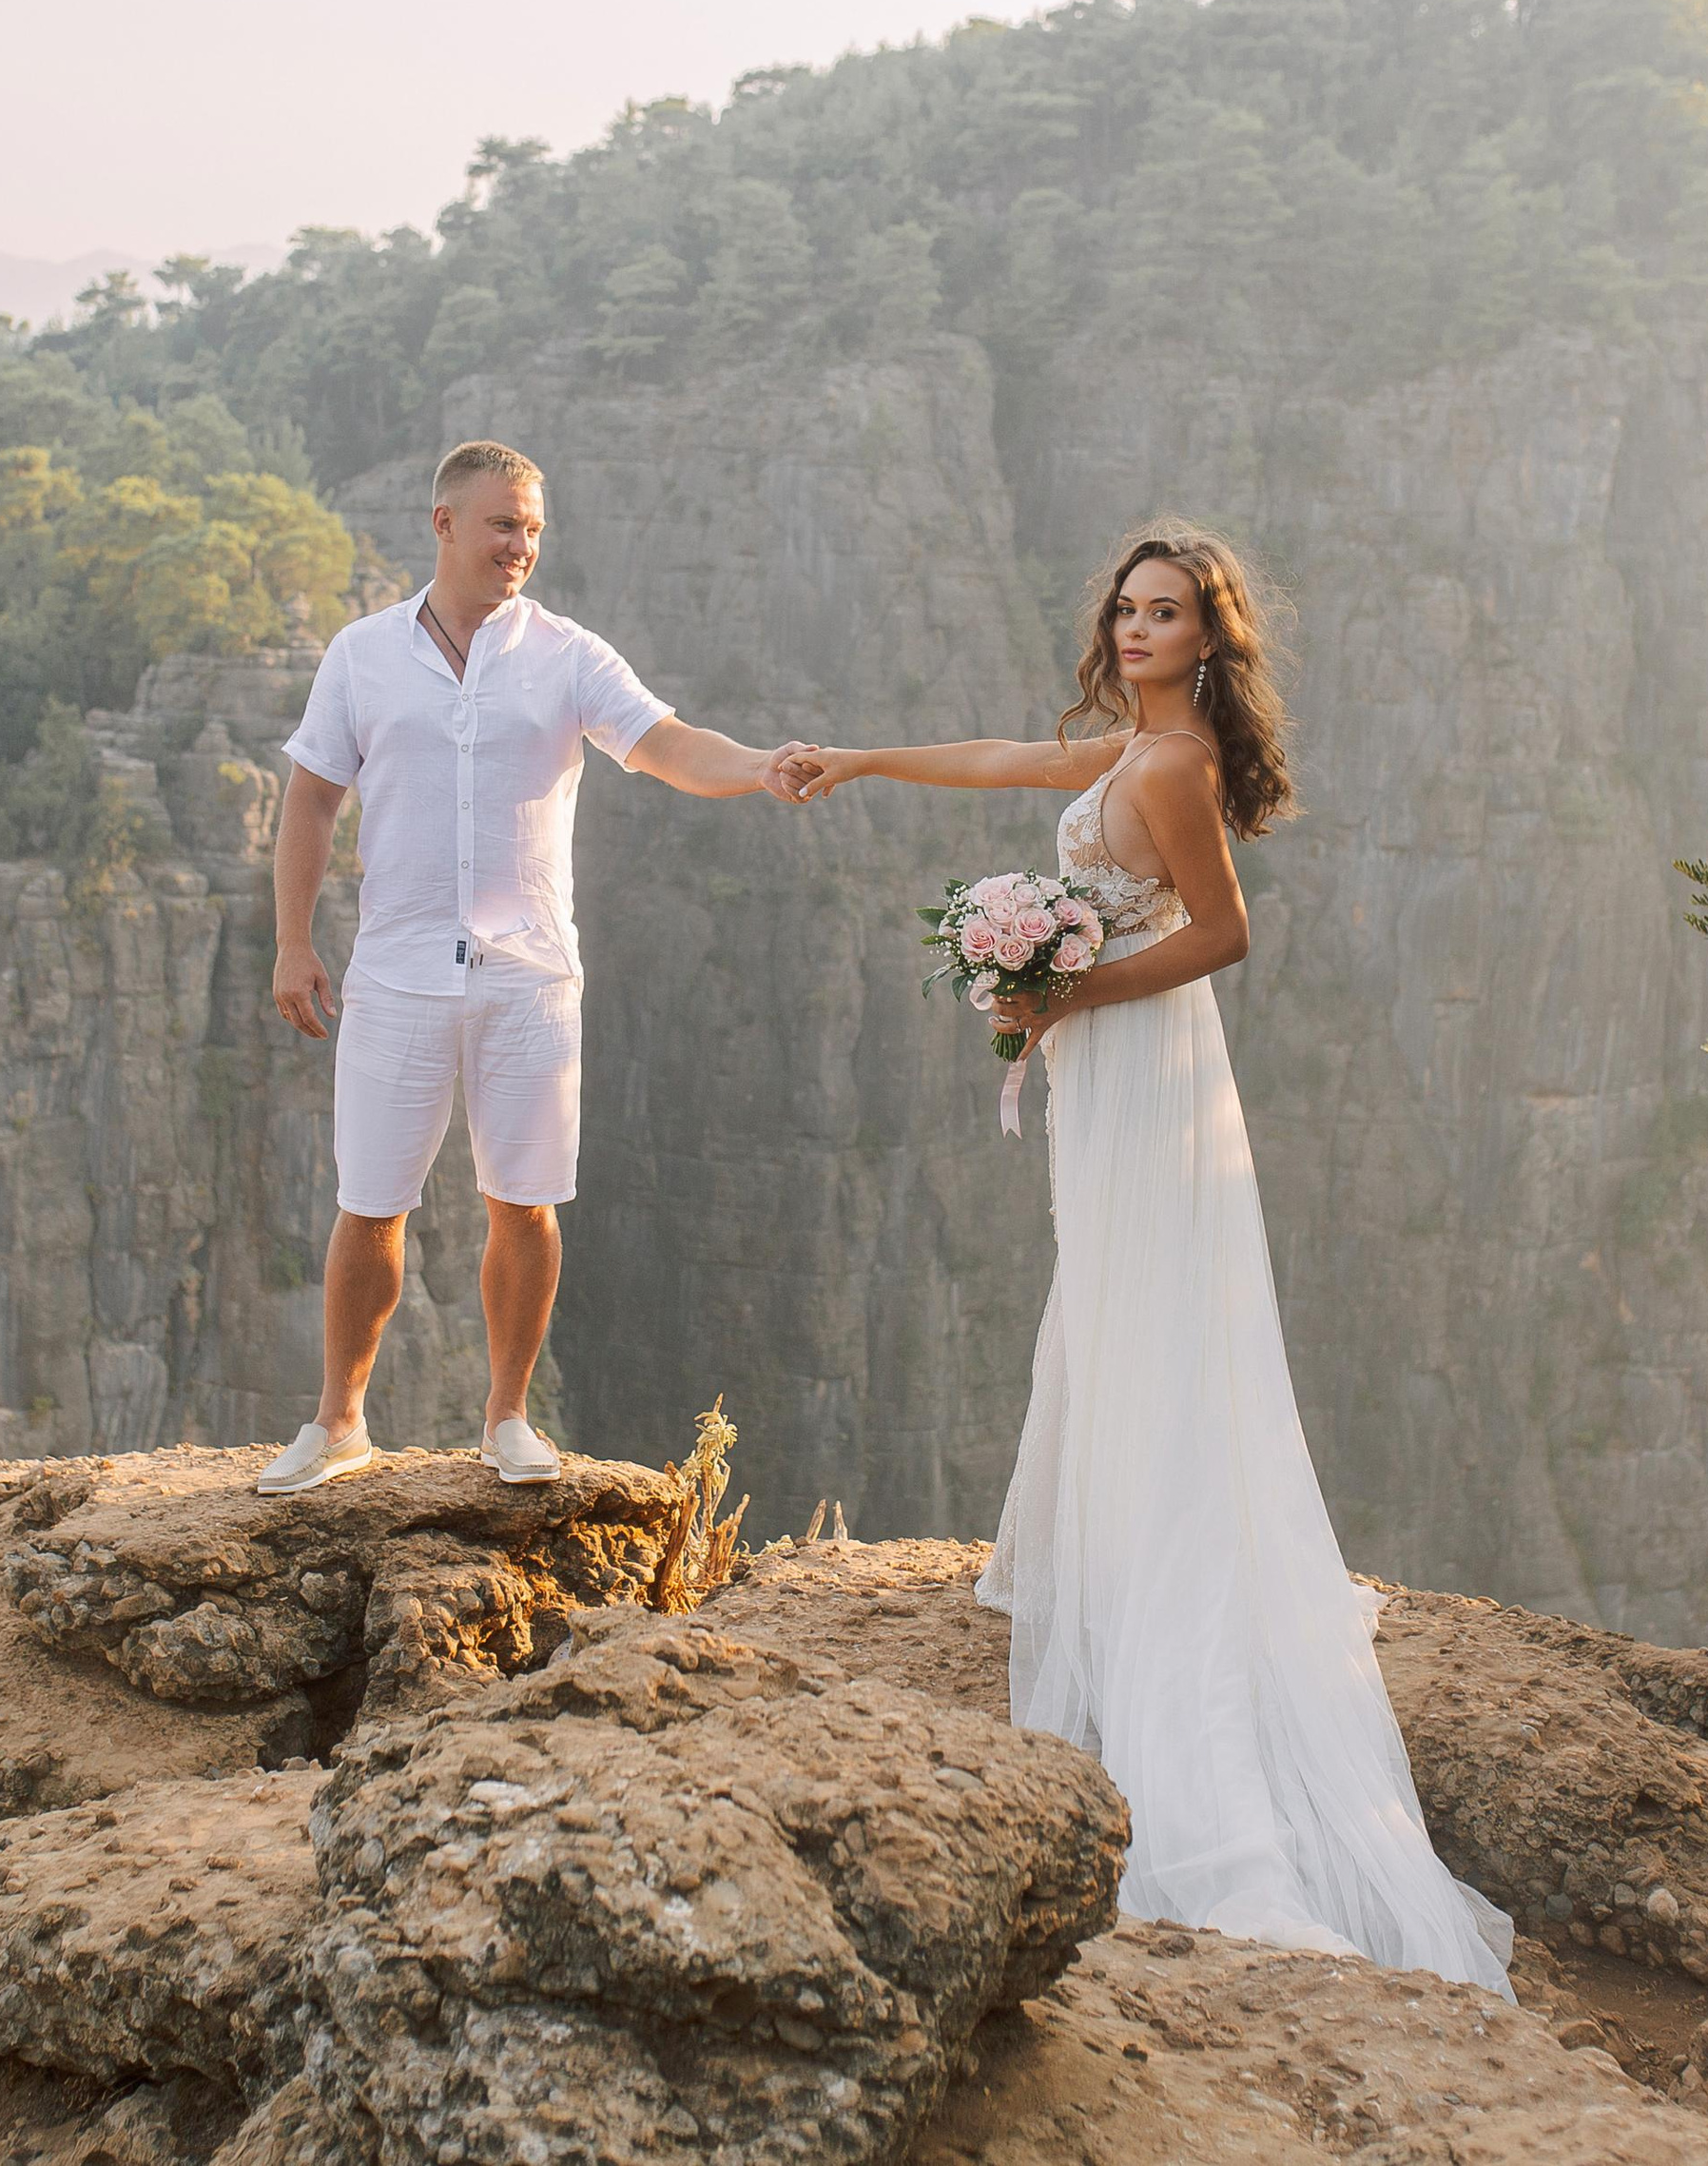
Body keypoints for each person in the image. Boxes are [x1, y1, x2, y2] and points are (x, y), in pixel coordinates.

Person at [782, 518, 1513, 1993]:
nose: (1134, 629)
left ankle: (1165, 1579)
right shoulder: (1126, 751)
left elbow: (1225, 931)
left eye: (1164, 614)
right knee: (1111, 1296)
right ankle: (1119, 1542)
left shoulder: (1173, 771)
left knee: (1145, 1303)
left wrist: (1067, 990)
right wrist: (857, 759)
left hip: (1145, 1052)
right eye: (1124, 607)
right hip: (1112, 1060)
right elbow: (1002, 759)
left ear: (1208, 637)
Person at [262, 439, 808, 1493]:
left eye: (534, 529)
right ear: (444, 523)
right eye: (503, 523)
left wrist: (758, 769)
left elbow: (665, 743)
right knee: (370, 1203)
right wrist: (292, 940)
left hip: (529, 974)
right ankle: (337, 1423)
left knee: (525, 1200)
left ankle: (507, 1417)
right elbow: (312, 799)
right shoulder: (361, 654)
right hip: (398, 968)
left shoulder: (568, 654)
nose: (521, 545)